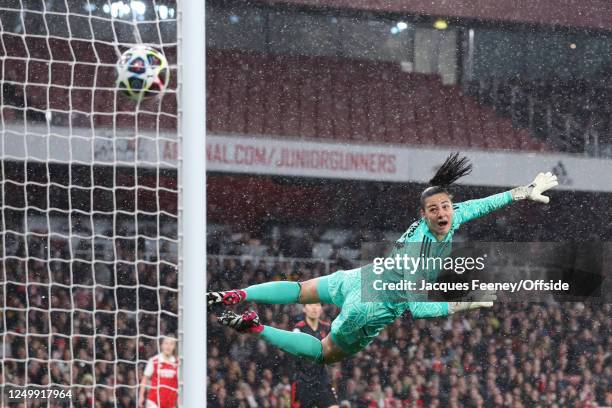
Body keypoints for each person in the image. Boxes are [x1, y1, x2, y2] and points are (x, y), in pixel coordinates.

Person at [208, 153, 558, 364]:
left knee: (301, 290)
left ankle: (240, 294)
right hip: (370, 306)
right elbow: (418, 310)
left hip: (359, 277)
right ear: (422, 216)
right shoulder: (420, 255)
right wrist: (468, 305)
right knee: (324, 353)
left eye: (446, 207)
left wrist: (522, 192)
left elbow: (482, 205)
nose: (443, 214)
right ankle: (256, 327)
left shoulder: (451, 216)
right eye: (435, 210)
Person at [291, 303, 338, 408]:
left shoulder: (327, 328)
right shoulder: (298, 329)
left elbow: (334, 351)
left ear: (321, 309)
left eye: (317, 305)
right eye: (310, 304)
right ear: (304, 308)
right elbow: (294, 352)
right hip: (303, 382)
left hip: (322, 380)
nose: (314, 308)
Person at [139, 337, 179, 408]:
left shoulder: (177, 363)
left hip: (171, 402)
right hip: (154, 401)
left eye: (171, 344)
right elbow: (144, 378)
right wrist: (141, 396)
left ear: (174, 346)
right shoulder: (154, 360)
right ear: (161, 345)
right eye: (166, 343)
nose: (168, 346)